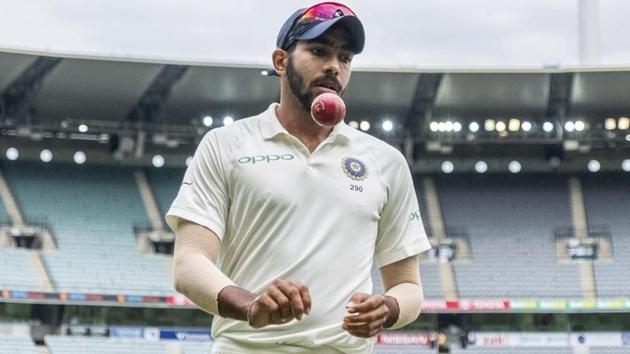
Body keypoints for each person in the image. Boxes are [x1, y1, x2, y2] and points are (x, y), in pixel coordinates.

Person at [166, 2, 431, 353]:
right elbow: (188, 263)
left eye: (345, 57)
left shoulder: (385, 162)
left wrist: (389, 307)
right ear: (280, 61)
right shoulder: (225, 144)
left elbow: (409, 287)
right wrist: (251, 305)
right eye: (319, 51)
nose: (334, 66)